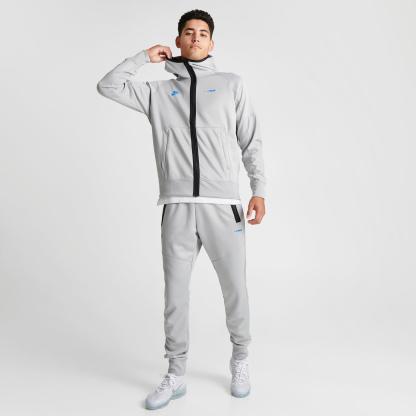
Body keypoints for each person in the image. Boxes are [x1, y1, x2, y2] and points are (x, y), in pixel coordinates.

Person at [97, 9, 266, 410]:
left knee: (235, 289)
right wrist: (143, 57)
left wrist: (259, 189)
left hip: (223, 206)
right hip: (176, 205)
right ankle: (175, 373)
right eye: (188, 32)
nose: (195, 38)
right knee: (175, 294)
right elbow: (107, 86)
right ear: (178, 41)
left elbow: (251, 139)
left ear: (211, 42)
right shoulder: (157, 92)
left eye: (202, 33)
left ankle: (240, 360)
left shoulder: (231, 84)